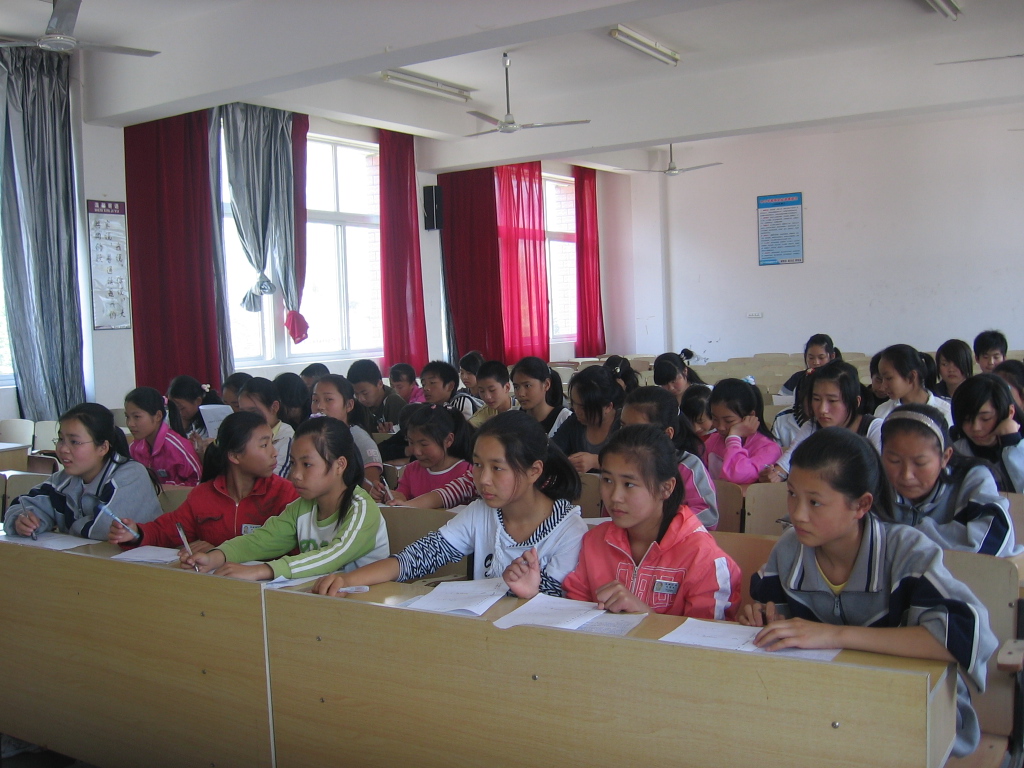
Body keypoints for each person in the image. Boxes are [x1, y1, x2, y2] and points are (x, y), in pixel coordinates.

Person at [741, 427, 995, 758]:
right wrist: (758, 618)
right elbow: (775, 613)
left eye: (815, 501)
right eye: (791, 494)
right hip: (823, 706)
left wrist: (834, 635)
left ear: (861, 505)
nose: (797, 513)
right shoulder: (790, 550)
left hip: (914, 712)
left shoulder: (906, 551)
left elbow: (959, 636)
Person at [312, 410, 586, 598]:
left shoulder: (568, 529)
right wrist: (348, 580)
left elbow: (557, 605)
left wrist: (530, 592)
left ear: (534, 471)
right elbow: (419, 557)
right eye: (477, 465)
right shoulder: (481, 512)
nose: (483, 479)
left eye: (497, 468)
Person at [539, 424, 739, 616]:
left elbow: (707, 640)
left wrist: (645, 616)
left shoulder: (703, 557)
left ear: (666, 488)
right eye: (607, 480)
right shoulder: (595, 541)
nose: (615, 496)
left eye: (629, 484)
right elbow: (575, 608)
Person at [179, 417, 389, 580]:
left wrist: (263, 570)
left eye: (306, 464)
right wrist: (215, 557)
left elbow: (333, 556)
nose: (295, 474)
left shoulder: (361, 508)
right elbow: (262, 540)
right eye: (293, 463)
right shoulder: (303, 507)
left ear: (339, 465)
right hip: (323, 601)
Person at [109, 411, 298, 551]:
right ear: (234, 456)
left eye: (271, 443)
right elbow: (167, 530)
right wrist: (136, 534)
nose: (275, 453)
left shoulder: (285, 494)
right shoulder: (204, 495)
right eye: (264, 445)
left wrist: (219, 551)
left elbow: (292, 550)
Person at [3, 403, 162, 540]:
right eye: (61, 439)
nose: (63, 449)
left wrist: (62, 523)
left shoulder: (131, 474)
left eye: (74, 442)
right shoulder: (64, 479)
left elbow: (105, 530)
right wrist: (23, 520)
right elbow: (26, 504)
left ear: (103, 448)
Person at [881, 404, 1019, 557]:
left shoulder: (973, 479)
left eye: (920, 463)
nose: (906, 475)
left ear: (945, 457)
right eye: (894, 461)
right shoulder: (872, 484)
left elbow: (989, 543)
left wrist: (902, 535)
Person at [761, 360, 881, 481]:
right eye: (817, 399)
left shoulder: (874, 429)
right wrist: (775, 474)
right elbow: (789, 460)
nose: (822, 409)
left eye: (832, 401)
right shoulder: (813, 426)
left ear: (855, 402)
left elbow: (879, 479)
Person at [620, 387, 718, 529]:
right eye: (622, 427)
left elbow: (708, 516)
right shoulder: (619, 464)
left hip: (676, 544)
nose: (625, 437)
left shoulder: (687, 466)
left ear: (667, 434)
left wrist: (661, 522)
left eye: (637, 430)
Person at [385, 405, 476, 509]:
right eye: (411, 442)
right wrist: (393, 496)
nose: (416, 451)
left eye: (424, 444)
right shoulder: (411, 470)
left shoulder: (467, 472)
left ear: (448, 440)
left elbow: (444, 496)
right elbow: (402, 495)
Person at [951, 373, 1024, 493]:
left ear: (1009, 412)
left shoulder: (1019, 445)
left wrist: (1012, 443)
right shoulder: (958, 451)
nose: (976, 428)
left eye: (986, 418)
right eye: (966, 420)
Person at [311, 374, 384, 492]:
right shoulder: (308, 437)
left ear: (349, 405)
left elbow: (371, 487)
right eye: (315, 400)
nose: (320, 406)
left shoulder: (359, 438)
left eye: (328, 399)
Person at [703, 378, 780, 484]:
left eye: (728, 421)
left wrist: (734, 437)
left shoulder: (768, 449)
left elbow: (736, 475)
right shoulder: (712, 442)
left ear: (750, 416)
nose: (720, 427)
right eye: (715, 419)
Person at [123, 386, 202, 486]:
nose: (130, 423)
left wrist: (164, 488)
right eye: (127, 417)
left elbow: (198, 481)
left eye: (137, 417)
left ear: (158, 416)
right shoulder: (134, 448)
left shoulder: (175, 447)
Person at [552, 365, 623, 473]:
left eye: (584, 407)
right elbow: (553, 450)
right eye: (574, 403)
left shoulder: (624, 424)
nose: (577, 411)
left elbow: (638, 463)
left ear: (608, 407)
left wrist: (597, 461)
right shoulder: (575, 422)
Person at [873, 344, 951, 424]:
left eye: (889, 378)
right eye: (881, 379)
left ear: (911, 376)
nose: (883, 387)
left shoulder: (945, 412)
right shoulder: (883, 412)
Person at [237, 377, 295, 477]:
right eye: (243, 413)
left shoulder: (287, 438)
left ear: (274, 407)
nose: (247, 419)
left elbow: (275, 481)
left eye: (254, 412)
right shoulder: (240, 434)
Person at [510, 356, 571, 437]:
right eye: (516, 387)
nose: (520, 394)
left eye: (527, 386)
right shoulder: (512, 417)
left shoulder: (565, 419)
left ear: (546, 384)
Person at [347, 359, 406, 433]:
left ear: (379, 384)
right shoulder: (357, 405)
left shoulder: (394, 402)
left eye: (365, 393)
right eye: (356, 393)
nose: (361, 399)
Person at [167, 375, 223, 440]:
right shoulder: (168, 418)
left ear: (198, 401)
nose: (177, 412)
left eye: (181, 408)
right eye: (173, 407)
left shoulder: (210, 422)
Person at [469, 360, 518, 427]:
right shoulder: (484, 413)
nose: (487, 397)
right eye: (481, 391)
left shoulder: (522, 409)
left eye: (492, 390)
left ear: (506, 387)